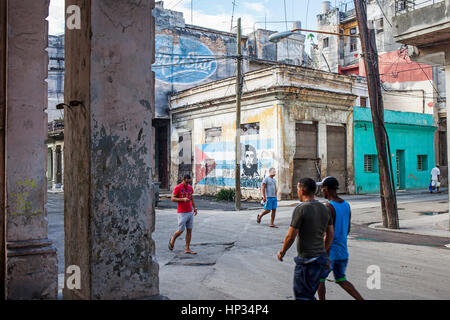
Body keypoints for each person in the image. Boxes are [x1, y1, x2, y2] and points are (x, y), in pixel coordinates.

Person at [277, 178, 334, 300]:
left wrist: (282, 252)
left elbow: (291, 236)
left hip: (307, 261)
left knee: (303, 296)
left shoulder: (301, 209)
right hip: (320, 259)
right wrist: (323, 251)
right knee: (309, 294)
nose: (297, 191)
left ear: (302, 191)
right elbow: (330, 233)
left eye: (297, 189)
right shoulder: (325, 208)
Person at [316, 176, 364, 300]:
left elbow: (328, 234)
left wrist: (325, 255)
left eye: (322, 188)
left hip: (330, 252)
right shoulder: (346, 205)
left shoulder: (328, 207)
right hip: (343, 251)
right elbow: (347, 230)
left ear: (326, 189)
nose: (321, 191)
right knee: (341, 280)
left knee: (319, 279)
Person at [169, 174, 198, 255]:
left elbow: (191, 197)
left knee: (189, 230)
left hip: (190, 211)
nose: (188, 184)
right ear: (183, 179)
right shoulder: (178, 187)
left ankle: (187, 248)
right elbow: (172, 198)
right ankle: (172, 239)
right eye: (187, 182)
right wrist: (182, 199)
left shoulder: (190, 188)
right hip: (182, 212)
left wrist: (195, 208)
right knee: (181, 230)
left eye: (189, 182)